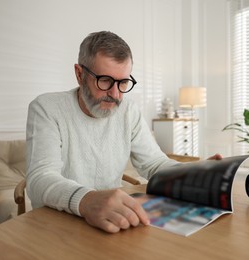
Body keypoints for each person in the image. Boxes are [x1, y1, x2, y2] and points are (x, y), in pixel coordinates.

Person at [26, 31, 222, 233]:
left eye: (123, 82)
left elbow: (154, 163)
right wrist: (86, 200)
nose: (115, 94)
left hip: (112, 221)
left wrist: (194, 173)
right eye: (105, 81)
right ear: (79, 74)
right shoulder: (46, 108)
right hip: (55, 225)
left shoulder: (128, 110)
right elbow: (40, 179)